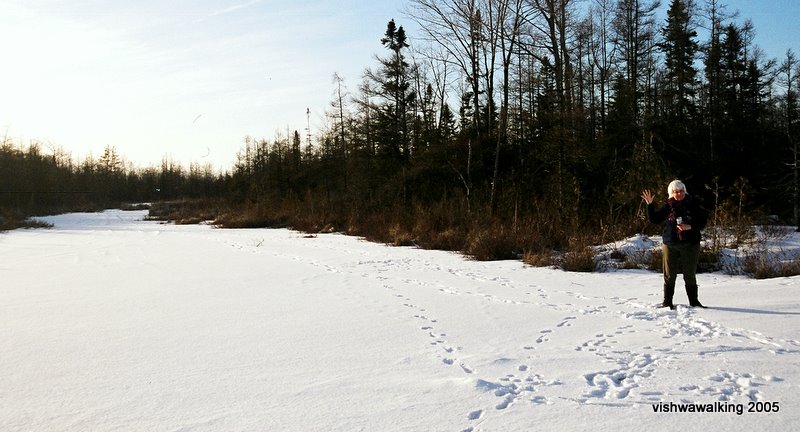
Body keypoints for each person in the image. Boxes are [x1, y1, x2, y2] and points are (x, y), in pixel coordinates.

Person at [641, 180, 708, 309]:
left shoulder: (693, 204)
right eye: (676, 192)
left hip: (690, 244)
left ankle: (694, 302)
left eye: (681, 191)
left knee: (690, 274)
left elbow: (702, 222)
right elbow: (654, 219)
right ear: (671, 193)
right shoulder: (668, 206)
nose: (679, 194)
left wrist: (690, 226)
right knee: (669, 275)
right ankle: (667, 302)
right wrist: (649, 204)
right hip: (670, 243)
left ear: (685, 191)